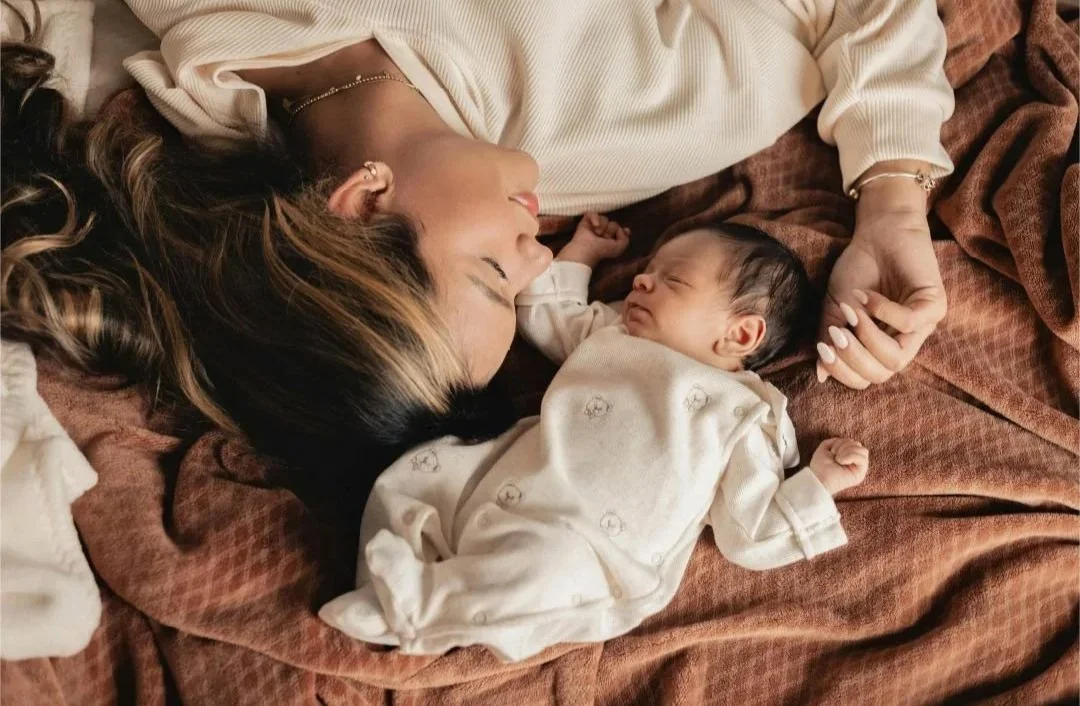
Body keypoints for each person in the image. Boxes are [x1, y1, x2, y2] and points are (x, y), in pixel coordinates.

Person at [2, 0, 952, 477]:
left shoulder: (181, 69)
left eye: (496, 272)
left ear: (358, 205)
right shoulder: (629, 123)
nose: (543, 251)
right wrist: (894, 202)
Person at [319, 215, 870, 662]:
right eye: (648, 271)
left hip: (594, 549)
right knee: (419, 472)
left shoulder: (746, 415)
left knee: (536, 574)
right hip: (507, 474)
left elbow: (748, 533)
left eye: (673, 280)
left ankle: (416, 612)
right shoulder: (614, 330)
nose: (642, 281)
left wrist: (818, 482)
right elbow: (546, 315)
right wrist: (583, 253)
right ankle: (378, 574)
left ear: (741, 332)